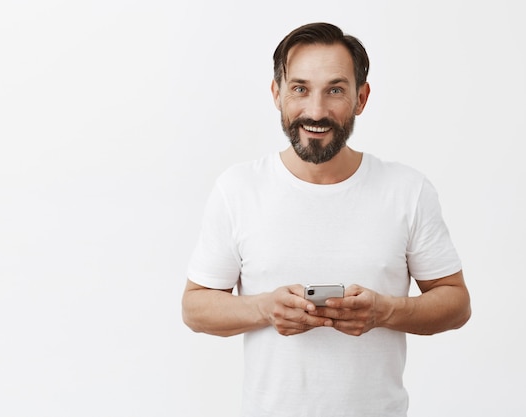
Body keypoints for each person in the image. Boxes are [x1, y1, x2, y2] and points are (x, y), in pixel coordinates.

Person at [181, 22, 471, 417]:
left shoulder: (408, 190)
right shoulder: (238, 189)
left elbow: (456, 303)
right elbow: (195, 307)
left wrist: (384, 311)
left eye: (335, 90)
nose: (315, 111)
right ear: (276, 93)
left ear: (361, 98)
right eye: (300, 88)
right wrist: (264, 308)